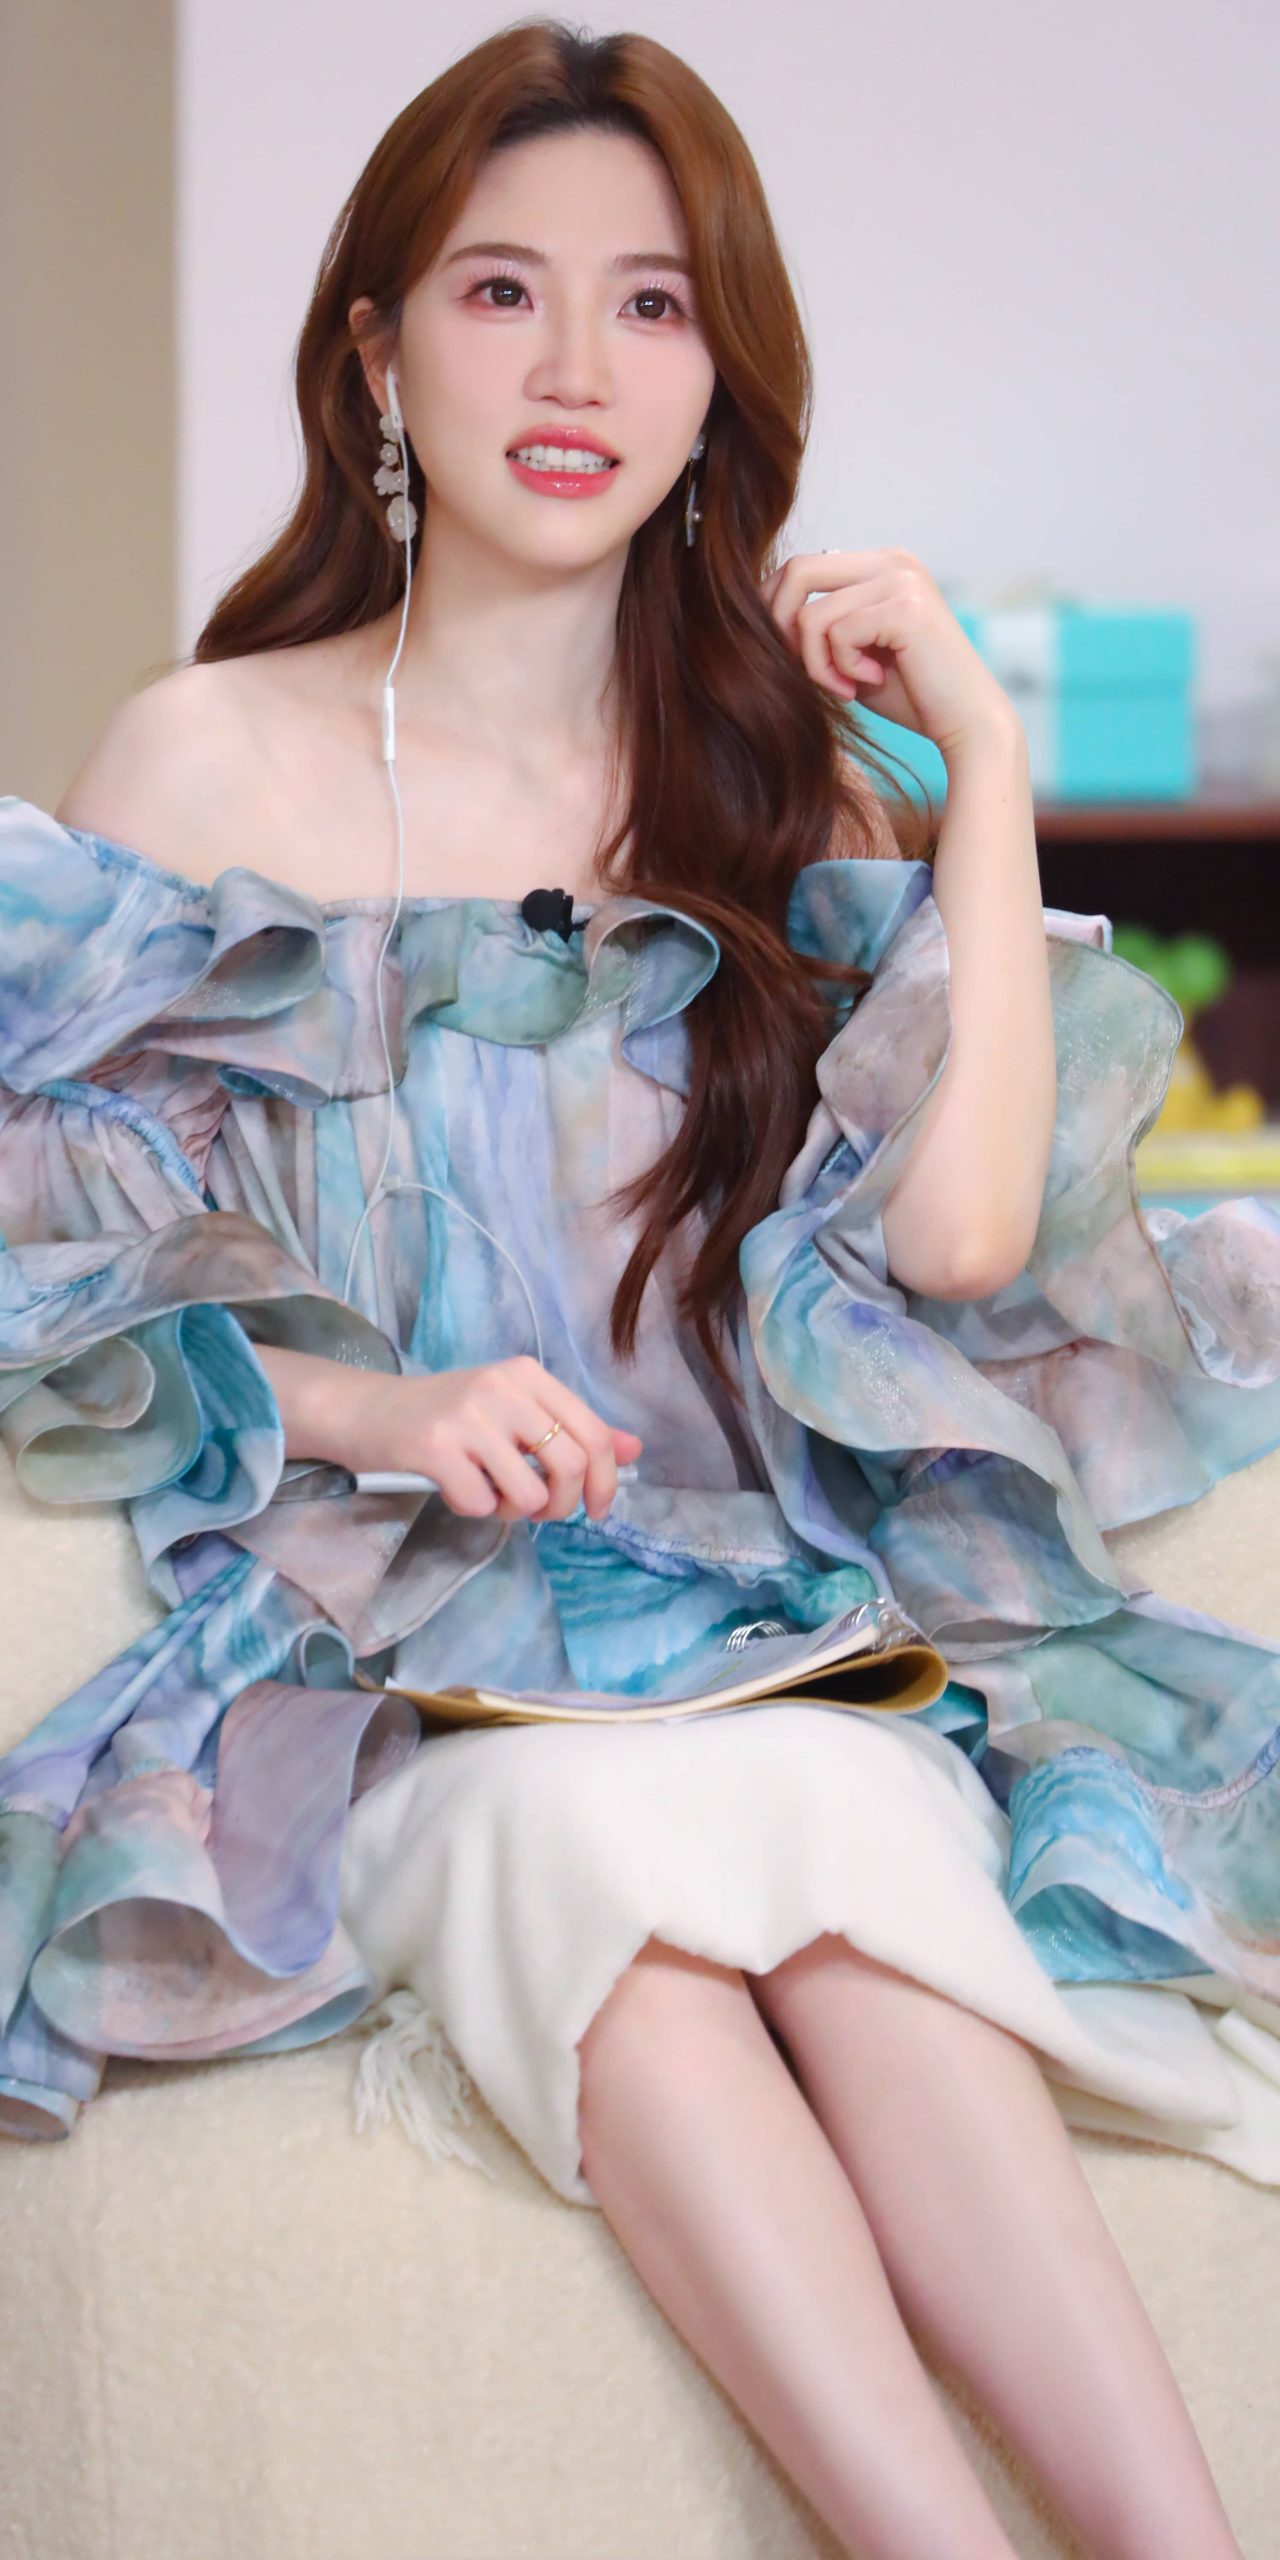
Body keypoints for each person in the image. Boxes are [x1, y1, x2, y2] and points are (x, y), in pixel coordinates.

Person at [0, 20, 1274, 2557]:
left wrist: (983, 772)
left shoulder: (783, 788)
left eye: (652, 304)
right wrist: (384, 1413)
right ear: (379, 353)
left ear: (718, 381)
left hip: (750, 1628)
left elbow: (957, 1244)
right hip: (382, 1659)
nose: (576, 367)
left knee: (829, 1833)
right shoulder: (204, 764)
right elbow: (62, 1264)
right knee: (601, 1848)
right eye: (501, 291)